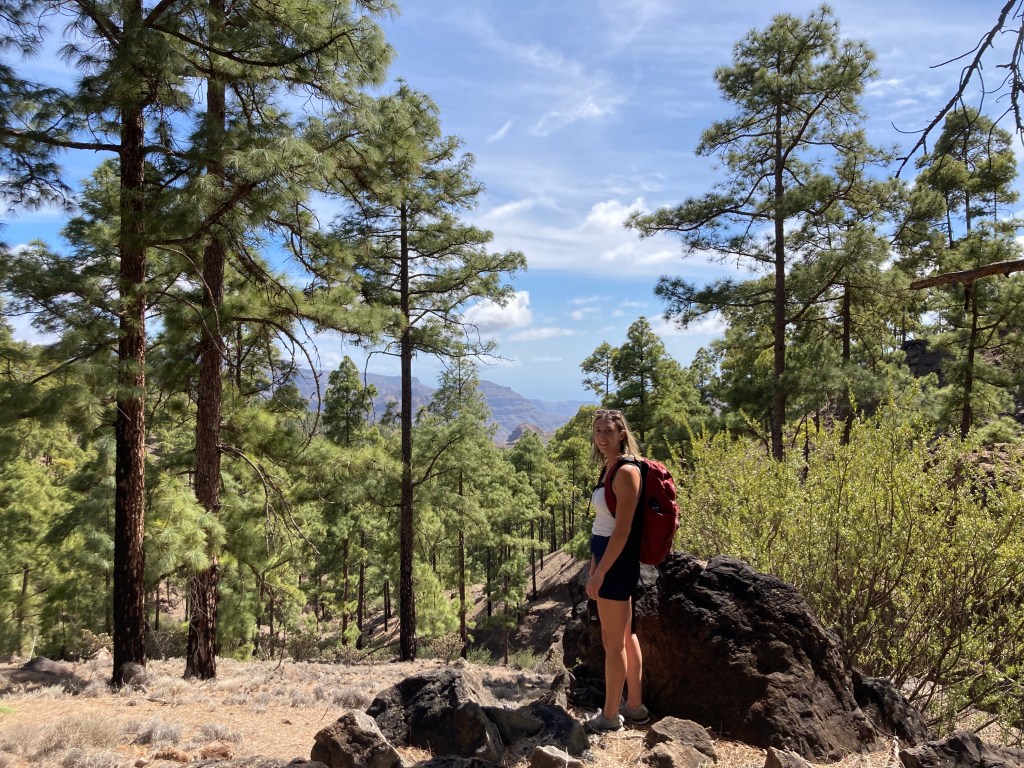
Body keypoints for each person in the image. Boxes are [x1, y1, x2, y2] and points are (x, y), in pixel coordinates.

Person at [584, 408, 650, 732]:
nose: (601, 436)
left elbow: (621, 531)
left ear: (622, 433)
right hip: (608, 559)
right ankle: (635, 707)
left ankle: (610, 716)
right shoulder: (609, 468)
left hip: (617, 562)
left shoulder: (626, 472)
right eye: (597, 431)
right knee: (626, 635)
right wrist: (594, 565)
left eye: (608, 431)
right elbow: (602, 525)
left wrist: (600, 573)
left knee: (614, 643)